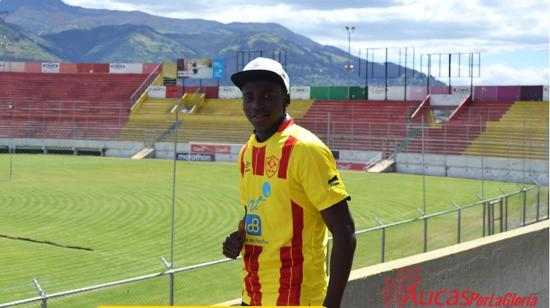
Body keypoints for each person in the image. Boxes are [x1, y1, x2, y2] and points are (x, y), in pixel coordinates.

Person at [222, 57, 356, 308]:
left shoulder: (305, 149)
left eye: (267, 96)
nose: (255, 105)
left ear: (286, 99)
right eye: (248, 97)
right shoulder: (247, 151)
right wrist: (239, 238)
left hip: (297, 299)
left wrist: (332, 304)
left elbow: (345, 231)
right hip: (252, 296)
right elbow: (256, 212)